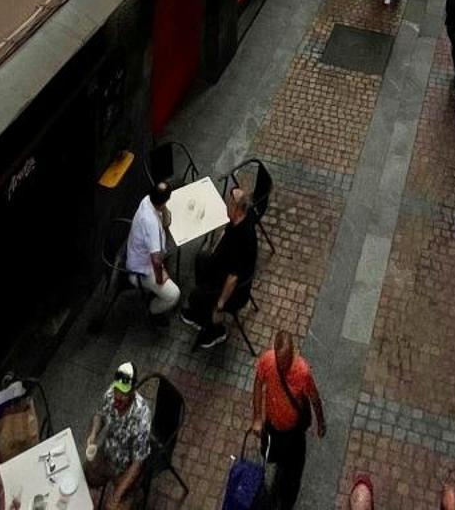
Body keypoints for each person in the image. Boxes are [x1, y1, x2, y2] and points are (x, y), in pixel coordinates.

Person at [251, 330, 325, 510]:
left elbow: (314, 398)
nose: (281, 365)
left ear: (292, 353)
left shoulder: (302, 372)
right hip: (272, 426)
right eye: (279, 359)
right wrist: (257, 417)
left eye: (285, 360)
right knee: (271, 455)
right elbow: (258, 383)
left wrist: (321, 422)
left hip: (293, 432)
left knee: (293, 473)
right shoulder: (268, 361)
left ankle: (286, 502)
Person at [182, 185, 258, 348]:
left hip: (233, 289)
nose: (226, 206)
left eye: (230, 203)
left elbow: (233, 278)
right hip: (222, 268)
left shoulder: (244, 239)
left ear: (238, 210)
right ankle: (200, 310)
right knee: (201, 259)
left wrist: (220, 304)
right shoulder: (242, 217)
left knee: (197, 295)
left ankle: (215, 330)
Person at [83, 362, 152, 510]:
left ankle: (131, 495)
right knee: (87, 473)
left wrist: (117, 495)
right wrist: (94, 434)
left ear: (133, 391)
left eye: (124, 393)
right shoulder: (110, 394)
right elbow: (99, 414)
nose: (117, 397)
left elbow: (137, 463)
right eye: (117, 390)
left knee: (112, 507)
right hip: (109, 451)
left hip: (127, 467)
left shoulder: (142, 417)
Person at [125, 180, 180, 315]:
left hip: (141, 253)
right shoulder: (151, 223)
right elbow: (156, 260)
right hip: (142, 269)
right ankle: (152, 310)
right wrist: (160, 278)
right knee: (174, 295)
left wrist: (164, 206)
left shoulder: (147, 200)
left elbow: (167, 222)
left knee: (173, 247)